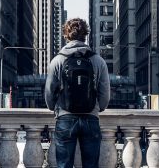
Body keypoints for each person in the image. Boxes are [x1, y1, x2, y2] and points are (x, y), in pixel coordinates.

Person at [45, 17, 110, 168]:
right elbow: (105, 94)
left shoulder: (57, 61)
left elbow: (49, 93)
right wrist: (97, 108)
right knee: (91, 165)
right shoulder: (98, 61)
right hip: (90, 117)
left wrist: (54, 108)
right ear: (85, 35)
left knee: (64, 165)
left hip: (65, 117)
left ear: (66, 35)